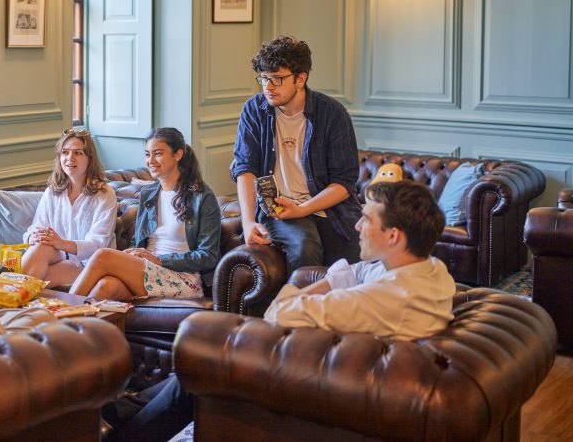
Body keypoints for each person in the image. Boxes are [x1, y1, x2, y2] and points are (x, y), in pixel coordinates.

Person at [106, 180, 456, 442]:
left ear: (394, 236)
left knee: (204, 359)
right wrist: (318, 288)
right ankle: (118, 412)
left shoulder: (386, 296)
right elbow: (347, 273)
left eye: (366, 220)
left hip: (324, 377)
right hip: (332, 360)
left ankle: (121, 432)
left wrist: (294, 291)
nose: (357, 227)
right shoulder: (426, 268)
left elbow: (278, 314)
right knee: (197, 366)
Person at [231, 35, 362, 275]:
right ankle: (297, 311)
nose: (268, 87)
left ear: (301, 78)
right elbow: (244, 169)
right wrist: (248, 222)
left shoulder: (332, 113)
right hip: (279, 206)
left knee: (357, 260)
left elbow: (344, 183)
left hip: (331, 209)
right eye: (264, 78)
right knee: (305, 248)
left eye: (277, 79)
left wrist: (305, 208)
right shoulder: (254, 109)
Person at [69, 127, 221, 301]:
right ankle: (73, 324)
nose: (151, 161)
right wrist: (134, 253)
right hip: (146, 268)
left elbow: (208, 257)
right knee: (106, 287)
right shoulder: (148, 194)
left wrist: (160, 260)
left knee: (102, 256)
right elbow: (139, 241)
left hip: (181, 277)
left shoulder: (202, 197)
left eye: (158, 154)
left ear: (177, 155)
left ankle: (60, 312)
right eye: (147, 154)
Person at [21, 129, 118, 288]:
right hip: (59, 255)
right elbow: (36, 226)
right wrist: (33, 236)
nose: (70, 158)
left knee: (33, 281)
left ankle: (10, 302)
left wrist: (62, 243)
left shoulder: (104, 194)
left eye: (78, 153)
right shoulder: (53, 191)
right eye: (65, 152)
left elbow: (98, 244)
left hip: (90, 263)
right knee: (38, 248)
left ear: (89, 158)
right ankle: (15, 302)